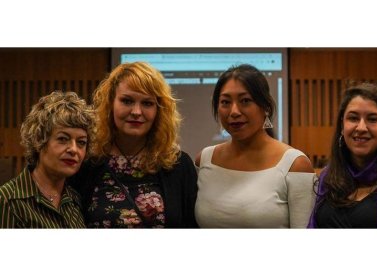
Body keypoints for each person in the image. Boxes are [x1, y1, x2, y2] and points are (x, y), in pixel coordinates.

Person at [70, 62, 198, 228]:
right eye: (127, 101)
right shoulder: (87, 161)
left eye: (147, 103)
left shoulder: (179, 165)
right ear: (110, 104)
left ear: (159, 110)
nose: (137, 112)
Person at [194, 64, 316, 228]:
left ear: (265, 107)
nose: (234, 111)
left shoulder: (295, 164)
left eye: (245, 101)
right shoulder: (204, 160)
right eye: (225, 102)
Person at [308, 83, 377, 228]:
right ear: (342, 126)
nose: (361, 127)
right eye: (353, 118)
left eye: (372, 119)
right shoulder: (327, 178)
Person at [0, 91, 95, 228]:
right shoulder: (8, 201)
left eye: (81, 142)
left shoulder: (75, 200)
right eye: (63, 139)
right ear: (39, 141)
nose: (74, 149)